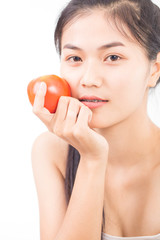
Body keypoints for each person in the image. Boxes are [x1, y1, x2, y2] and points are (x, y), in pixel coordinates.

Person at [31, 0, 160, 239]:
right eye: (75, 58)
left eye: (112, 57)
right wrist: (92, 159)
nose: (88, 79)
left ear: (154, 69)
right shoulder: (52, 150)